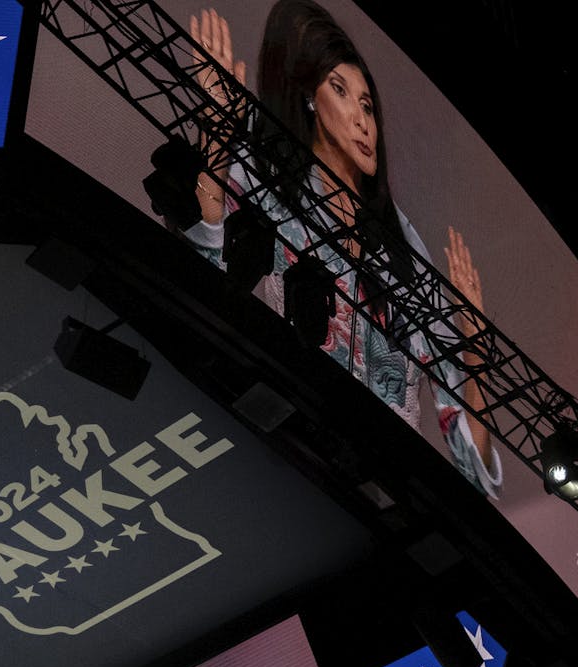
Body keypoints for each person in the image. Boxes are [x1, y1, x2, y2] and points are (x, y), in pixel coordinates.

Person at [185, 2, 502, 496]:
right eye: (341, 91)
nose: (362, 120)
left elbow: (469, 461)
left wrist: (474, 352)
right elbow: (202, 281)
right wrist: (216, 144)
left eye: (368, 105)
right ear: (310, 98)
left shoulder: (405, 250)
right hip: (284, 454)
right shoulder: (265, 177)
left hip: (390, 488)